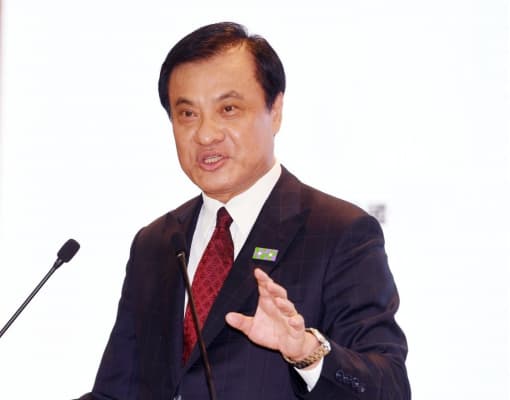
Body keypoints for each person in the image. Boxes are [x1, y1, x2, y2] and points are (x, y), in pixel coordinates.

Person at [78, 22, 410, 400]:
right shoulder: (155, 243)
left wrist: (306, 351)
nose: (206, 134)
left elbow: (391, 388)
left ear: (276, 110)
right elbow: (116, 392)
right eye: (187, 114)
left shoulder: (339, 232)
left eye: (228, 108)